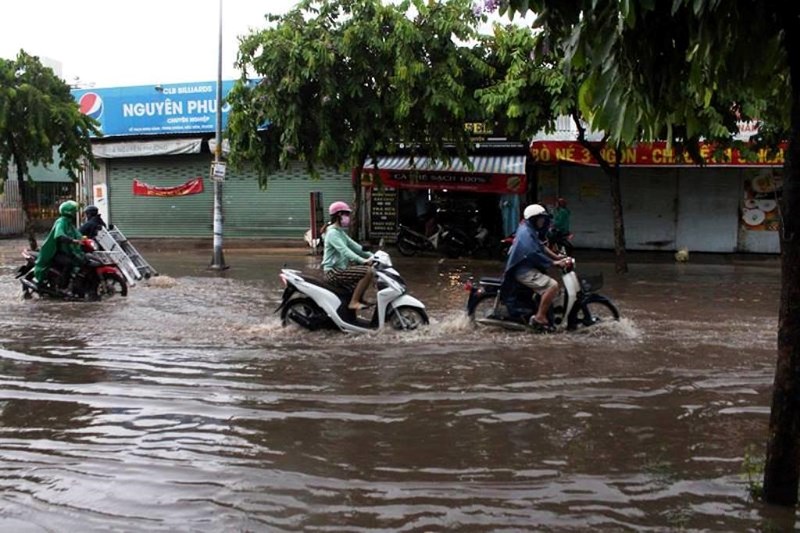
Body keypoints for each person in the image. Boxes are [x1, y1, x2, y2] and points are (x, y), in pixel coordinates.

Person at [503, 203, 571, 328]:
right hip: (522, 270)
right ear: (534, 219)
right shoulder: (526, 234)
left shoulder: (529, 229)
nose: (542, 221)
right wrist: (553, 263)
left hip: (526, 267)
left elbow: (541, 246)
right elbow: (533, 253)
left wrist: (557, 257)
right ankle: (540, 316)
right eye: (540, 219)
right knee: (552, 286)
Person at [321, 201, 374, 311]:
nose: (349, 217)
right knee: (368, 271)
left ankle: (356, 300)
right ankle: (354, 302)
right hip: (333, 272)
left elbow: (356, 247)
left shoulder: (339, 232)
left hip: (340, 270)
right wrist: (363, 261)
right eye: (347, 214)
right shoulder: (332, 233)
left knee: (355, 286)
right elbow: (345, 251)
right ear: (340, 215)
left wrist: (374, 256)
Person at [33, 200, 86, 289]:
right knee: (69, 263)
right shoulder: (61, 222)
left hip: (67, 251)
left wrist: (85, 239)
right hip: (56, 251)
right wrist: (73, 241)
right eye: (74, 211)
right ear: (70, 212)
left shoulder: (69, 223)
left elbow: (78, 234)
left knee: (82, 259)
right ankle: (63, 286)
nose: (75, 213)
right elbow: (59, 236)